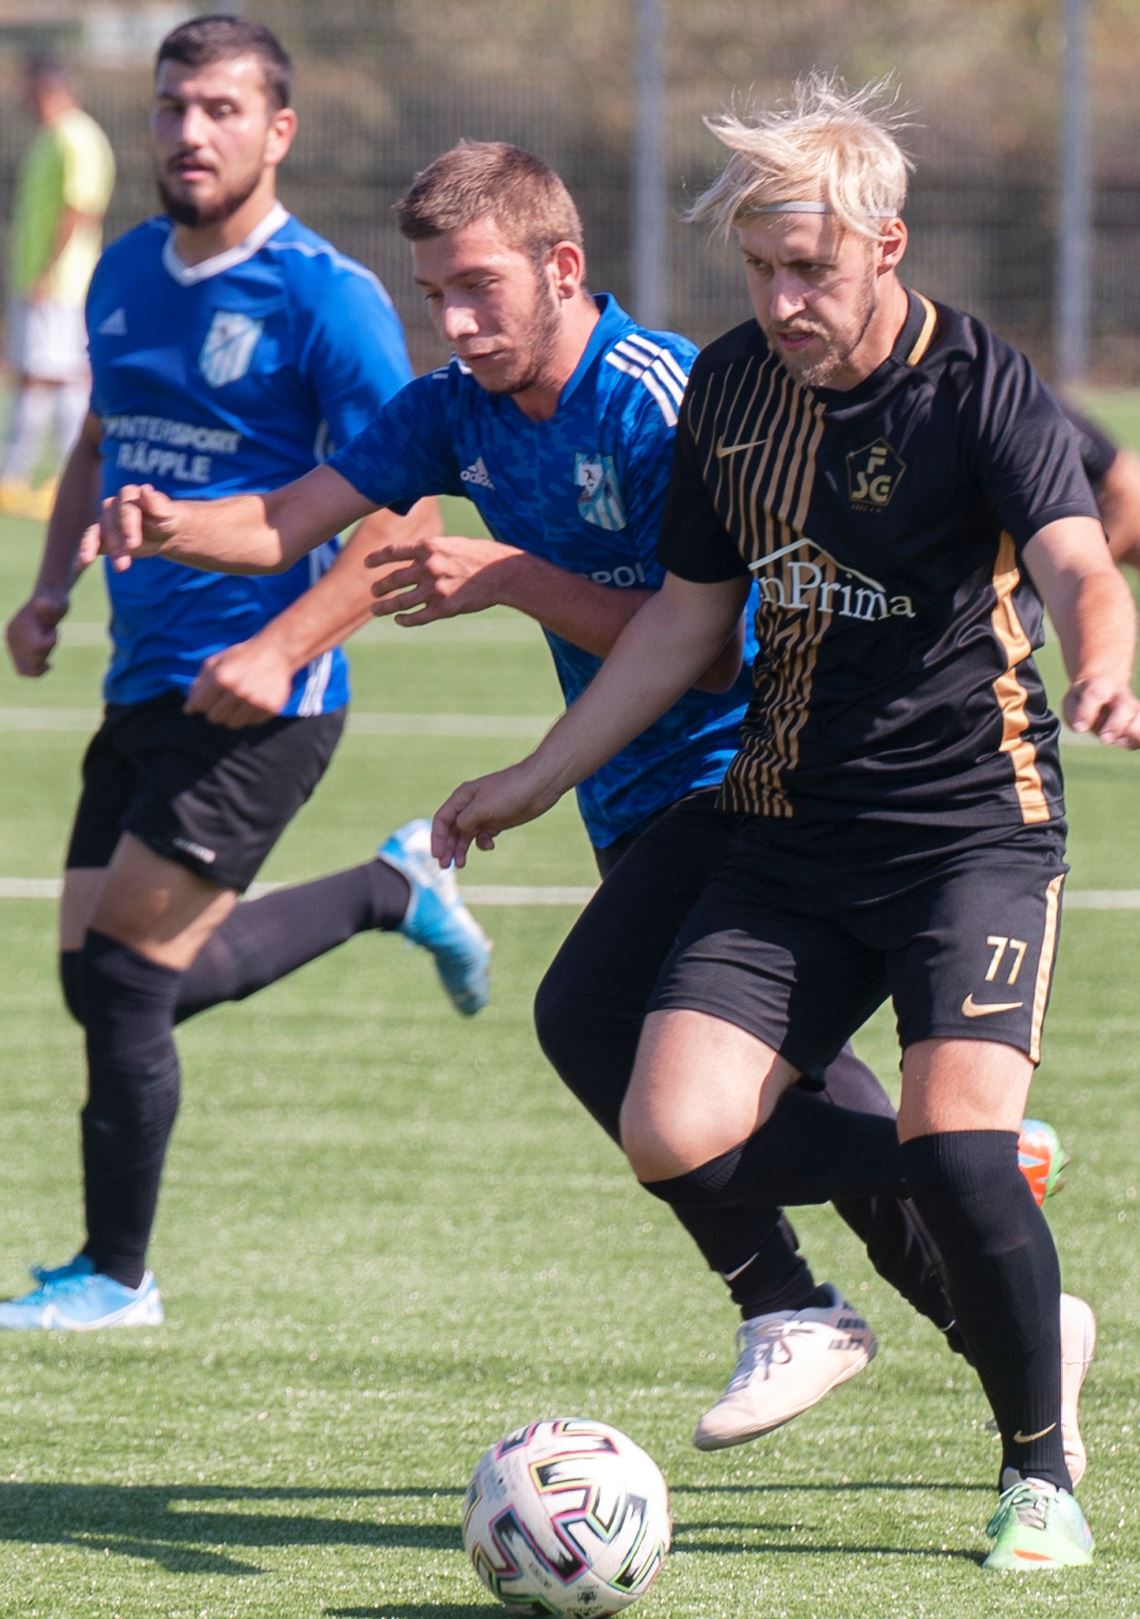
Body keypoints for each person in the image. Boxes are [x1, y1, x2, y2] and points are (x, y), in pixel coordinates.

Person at [84, 137, 1092, 1481]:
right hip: (625, 786)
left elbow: (715, 635)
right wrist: (168, 522)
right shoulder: (459, 406)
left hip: (752, 774)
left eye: (479, 289)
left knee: (595, 1022)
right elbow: (286, 518)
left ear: (564, 267)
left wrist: (511, 577)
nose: (452, 322)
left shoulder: (671, 394)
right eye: (434, 293)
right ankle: (998, 1297)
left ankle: (810, 1281)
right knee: (779, 1111)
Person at [427, 79, 1140, 1570]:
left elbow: (1078, 553)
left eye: (808, 267)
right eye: (758, 269)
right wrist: (537, 774)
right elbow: (685, 624)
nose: (781, 298)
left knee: (951, 1135)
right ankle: (940, 1196)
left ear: (887, 244)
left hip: (969, 831)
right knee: (669, 1122)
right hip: (788, 820)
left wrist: (1110, 648)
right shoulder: (735, 392)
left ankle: (1038, 1472)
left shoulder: (979, 385)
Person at [0, 16, 490, 1334]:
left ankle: (115, 1277)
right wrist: (50, 590)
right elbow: (102, 436)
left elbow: (410, 511)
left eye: (221, 109)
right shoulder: (121, 276)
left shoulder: (324, 297)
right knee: (99, 981)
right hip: (142, 674)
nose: (190, 132)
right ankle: (390, 888)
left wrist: (282, 647)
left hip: (267, 698)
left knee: (121, 980)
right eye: (171, 107)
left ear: (278, 131)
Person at [0, 52, 115, 521]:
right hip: (44, 281)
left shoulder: (76, 135)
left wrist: (49, 270)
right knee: (52, 375)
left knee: (49, 375)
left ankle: (31, 477)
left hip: (61, 283)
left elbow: (81, 206)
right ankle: (46, 478)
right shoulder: (53, 137)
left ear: (46, 89)